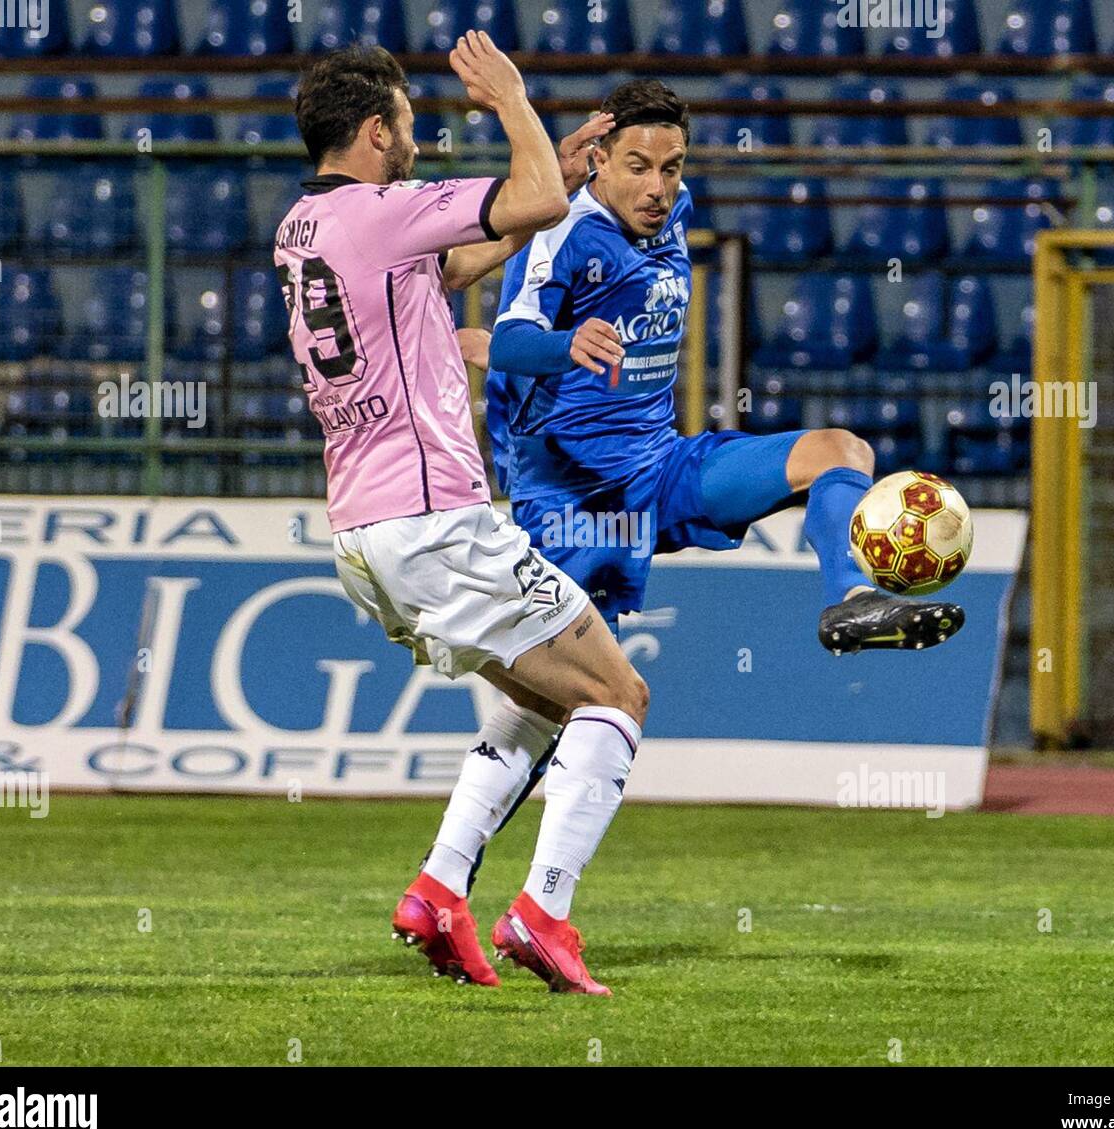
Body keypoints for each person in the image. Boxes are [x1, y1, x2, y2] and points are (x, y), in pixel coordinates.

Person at [275, 34, 639, 996]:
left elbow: (450, 267)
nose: (415, 140)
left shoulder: (305, 230)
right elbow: (545, 204)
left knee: (536, 697)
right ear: (370, 131)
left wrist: (538, 172)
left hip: (363, 534)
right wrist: (516, 104)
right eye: (403, 124)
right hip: (436, 517)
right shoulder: (382, 209)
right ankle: (543, 912)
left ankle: (439, 890)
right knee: (616, 695)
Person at [478, 78, 966, 657]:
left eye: (671, 167)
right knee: (588, 706)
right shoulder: (560, 231)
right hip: (575, 498)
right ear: (597, 160)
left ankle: (855, 598)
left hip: (660, 467)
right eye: (638, 167)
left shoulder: (673, 209)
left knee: (839, 450)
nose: (657, 188)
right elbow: (508, 341)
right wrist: (567, 345)